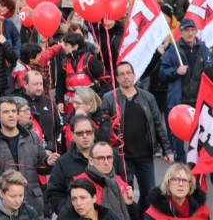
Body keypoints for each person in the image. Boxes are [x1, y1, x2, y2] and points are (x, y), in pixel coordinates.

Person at [102, 61, 174, 216]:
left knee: (149, 194)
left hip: (145, 156)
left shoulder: (147, 97)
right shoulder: (109, 99)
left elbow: (158, 124)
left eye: (128, 73)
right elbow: (103, 128)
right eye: (121, 74)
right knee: (124, 195)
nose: (125, 77)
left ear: (134, 75)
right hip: (122, 157)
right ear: (117, 78)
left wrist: (167, 149)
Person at [0, 96, 57, 217]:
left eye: (13, 111)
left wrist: (48, 162)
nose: (11, 115)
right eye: (6, 112)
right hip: (3, 208)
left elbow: (41, 166)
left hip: (32, 205)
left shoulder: (32, 137)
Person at [47, 114, 128, 215]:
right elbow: (54, 193)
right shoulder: (63, 162)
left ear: (94, 132)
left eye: (88, 132)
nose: (85, 136)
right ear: (72, 135)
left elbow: (125, 183)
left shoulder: (110, 155)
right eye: (80, 133)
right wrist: (68, 212)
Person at [160, 18, 212, 162]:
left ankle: (199, 162)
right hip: (180, 101)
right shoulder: (173, 50)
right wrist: (175, 71)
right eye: (186, 31)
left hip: (200, 100)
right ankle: (181, 164)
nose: (189, 33)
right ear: (181, 33)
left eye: (192, 30)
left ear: (196, 31)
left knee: (201, 134)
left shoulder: (204, 48)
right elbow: (162, 72)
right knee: (178, 136)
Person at [74, 142, 138, 220]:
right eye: (101, 158)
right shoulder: (79, 184)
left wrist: (129, 205)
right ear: (91, 160)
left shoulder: (119, 181)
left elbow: (134, 217)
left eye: (109, 157)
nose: (106, 162)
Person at [12, 71, 61, 153]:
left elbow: (59, 127)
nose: (39, 88)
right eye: (35, 84)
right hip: (23, 153)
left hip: (48, 152)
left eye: (41, 84)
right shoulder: (15, 102)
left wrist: (52, 148)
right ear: (25, 84)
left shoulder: (49, 102)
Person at [57, 32, 105, 115]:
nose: (64, 47)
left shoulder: (91, 61)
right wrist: (59, 101)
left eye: (66, 45)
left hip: (89, 109)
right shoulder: (64, 63)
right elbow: (60, 85)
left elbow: (105, 81)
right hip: (69, 109)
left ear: (75, 46)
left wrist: (97, 98)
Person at [144, 163, 209, 219]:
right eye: (176, 179)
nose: (181, 184)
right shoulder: (154, 212)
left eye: (185, 180)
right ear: (168, 184)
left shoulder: (200, 209)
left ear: (190, 185)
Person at [57, 178, 121, 220]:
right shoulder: (65, 217)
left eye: (83, 198)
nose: (78, 203)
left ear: (94, 198)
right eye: (74, 199)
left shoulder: (108, 215)